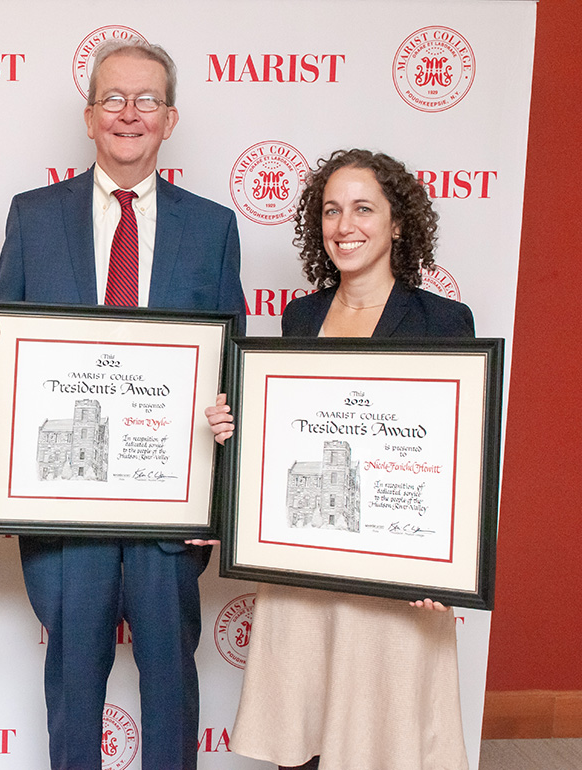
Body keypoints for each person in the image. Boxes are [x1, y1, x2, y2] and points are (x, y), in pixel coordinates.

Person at [0, 39, 246, 769]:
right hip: (64, 516)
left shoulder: (211, 227)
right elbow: (14, 360)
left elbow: (231, 363)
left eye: (146, 100)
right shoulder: (33, 215)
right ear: (89, 116)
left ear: (170, 118)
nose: (129, 114)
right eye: (113, 99)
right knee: (73, 692)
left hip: (170, 514)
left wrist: (219, 486)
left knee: (172, 692)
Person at [205, 148, 473, 770]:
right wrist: (234, 431)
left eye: (362, 209)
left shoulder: (443, 322)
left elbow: (460, 456)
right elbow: (287, 435)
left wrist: (448, 567)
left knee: (385, 737)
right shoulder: (300, 317)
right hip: (304, 566)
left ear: (398, 222)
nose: (344, 226)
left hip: (398, 579)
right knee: (299, 730)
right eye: (330, 211)